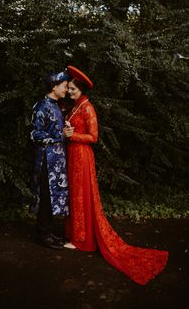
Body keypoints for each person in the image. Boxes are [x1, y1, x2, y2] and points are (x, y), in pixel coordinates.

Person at [64, 65, 169, 285]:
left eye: (73, 88)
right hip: (72, 155)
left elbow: (93, 137)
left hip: (82, 155)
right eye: (69, 88)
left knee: (82, 195)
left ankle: (82, 241)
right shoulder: (75, 106)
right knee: (75, 195)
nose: (69, 91)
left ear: (81, 90)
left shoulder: (87, 108)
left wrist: (73, 136)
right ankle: (77, 234)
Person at [30, 70, 73, 249]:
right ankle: (43, 235)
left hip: (57, 160)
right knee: (46, 197)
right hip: (46, 160)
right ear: (54, 86)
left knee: (53, 197)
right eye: (64, 86)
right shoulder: (42, 106)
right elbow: (35, 134)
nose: (66, 90)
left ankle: (49, 232)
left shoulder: (57, 105)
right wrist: (59, 135)